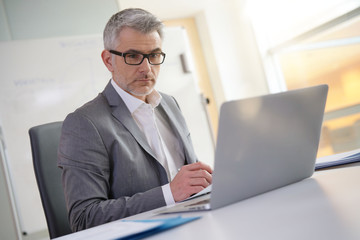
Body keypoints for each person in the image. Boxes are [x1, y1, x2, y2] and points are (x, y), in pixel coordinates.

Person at [57, 8, 212, 232]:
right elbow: (84, 218)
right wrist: (169, 193)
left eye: (154, 55)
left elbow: (187, 178)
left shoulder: (170, 104)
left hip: (191, 226)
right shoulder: (84, 124)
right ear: (108, 60)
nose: (147, 68)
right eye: (133, 56)